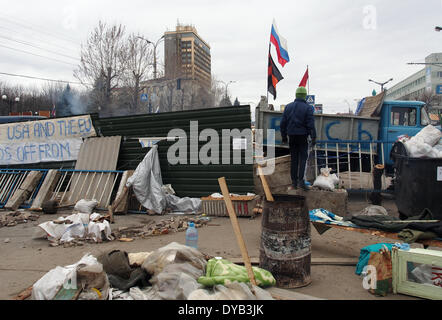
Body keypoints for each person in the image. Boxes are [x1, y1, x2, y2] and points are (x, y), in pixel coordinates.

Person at [280, 86, 317, 191]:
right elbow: (310, 125)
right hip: (302, 137)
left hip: (291, 137)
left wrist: (284, 137)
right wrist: (313, 137)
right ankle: (301, 181)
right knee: (303, 159)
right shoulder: (308, 108)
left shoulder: (288, 107)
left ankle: (294, 183)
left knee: (294, 160)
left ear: (296, 95)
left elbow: (283, 124)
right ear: (305, 96)